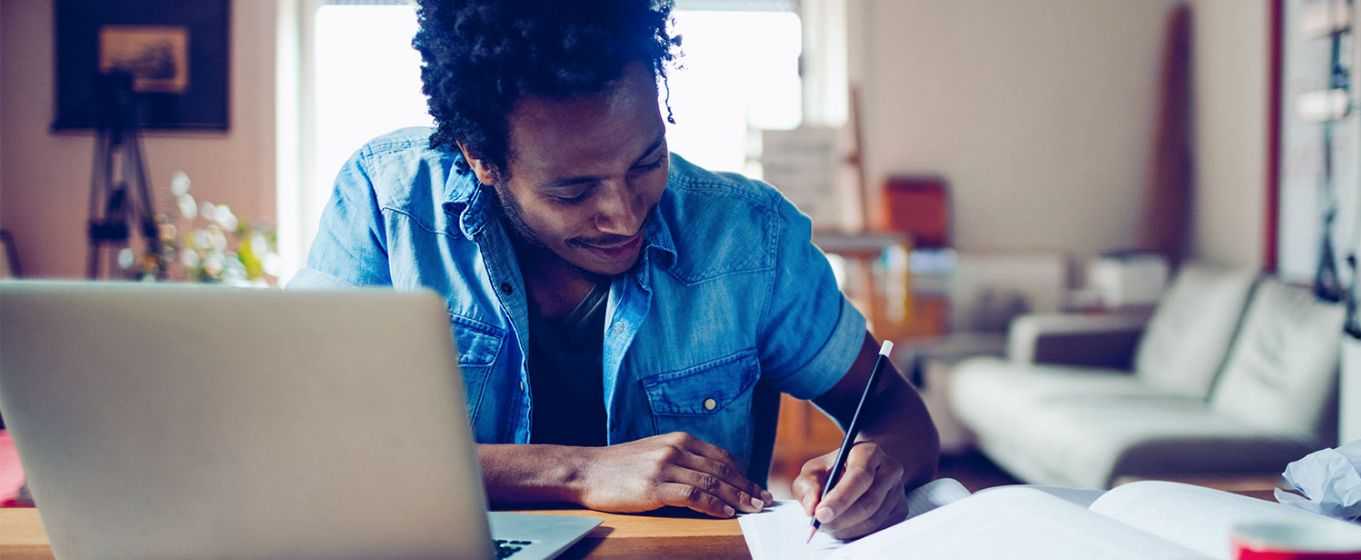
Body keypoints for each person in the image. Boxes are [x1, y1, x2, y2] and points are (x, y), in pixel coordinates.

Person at [292, 0, 938, 539]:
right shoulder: (388, 203)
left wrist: (876, 463)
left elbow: (893, 410)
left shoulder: (750, 238)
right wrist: (574, 470)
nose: (624, 215)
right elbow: (305, 447)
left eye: (646, 161)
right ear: (480, 159)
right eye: (572, 191)